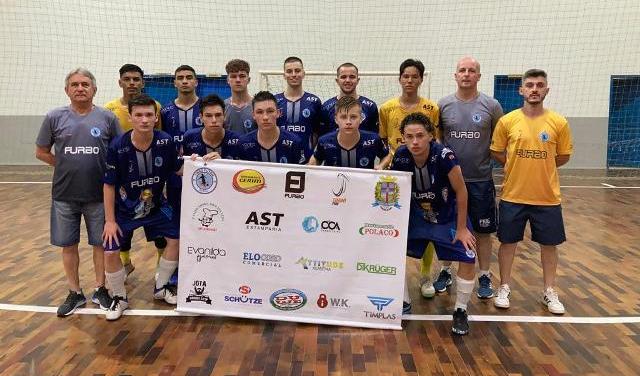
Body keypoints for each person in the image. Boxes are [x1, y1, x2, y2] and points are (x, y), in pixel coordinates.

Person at [35, 68, 120, 317]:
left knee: (100, 246)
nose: (80, 88)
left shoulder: (107, 118)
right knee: (68, 245)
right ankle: (74, 292)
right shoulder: (54, 117)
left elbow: (118, 152)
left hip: (98, 196)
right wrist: (62, 165)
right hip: (64, 195)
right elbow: (41, 151)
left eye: (85, 84)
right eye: (75, 85)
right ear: (67, 90)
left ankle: (100, 289)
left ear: (94, 89)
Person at [490, 69, 573, 315]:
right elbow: (496, 151)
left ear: (546, 90)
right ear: (521, 90)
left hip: (547, 198)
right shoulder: (507, 121)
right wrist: (513, 164)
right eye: (530, 85)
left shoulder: (559, 122)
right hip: (513, 195)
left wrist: (542, 165)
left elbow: (563, 156)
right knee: (507, 243)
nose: (534, 89)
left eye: (539, 85)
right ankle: (504, 287)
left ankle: (549, 291)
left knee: (549, 245)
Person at [391, 112, 477, 335]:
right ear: (402, 138)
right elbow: (395, 191)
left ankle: (460, 310)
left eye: (420, 135)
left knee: (468, 255)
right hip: (418, 216)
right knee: (392, 250)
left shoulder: (445, 156)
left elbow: (461, 191)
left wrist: (461, 228)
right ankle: (403, 302)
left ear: (431, 135)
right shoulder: (400, 156)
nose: (415, 141)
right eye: (409, 136)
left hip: (447, 216)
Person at [102, 95, 181, 320]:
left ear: (156, 117)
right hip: (124, 210)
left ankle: (161, 287)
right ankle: (119, 297)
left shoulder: (165, 141)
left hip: (156, 206)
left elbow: (179, 169)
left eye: (149, 115)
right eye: (139, 115)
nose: (144, 120)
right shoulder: (118, 146)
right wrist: (109, 221)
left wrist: (203, 162)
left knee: (176, 239)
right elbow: (108, 185)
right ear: (131, 117)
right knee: (110, 250)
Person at [434, 57, 504, 298]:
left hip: (481, 181)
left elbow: (499, 140)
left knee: (484, 232)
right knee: (448, 228)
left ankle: (484, 275)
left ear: (478, 76)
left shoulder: (492, 106)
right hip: (449, 182)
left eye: (471, 71)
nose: (466, 74)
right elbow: (438, 139)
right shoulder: (443, 105)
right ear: (455, 76)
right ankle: (445, 270)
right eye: (462, 70)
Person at [379, 59, 440, 297]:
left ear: (421, 79)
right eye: (406, 76)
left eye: (415, 76)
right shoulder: (386, 108)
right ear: (400, 78)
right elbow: (384, 143)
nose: (410, 80)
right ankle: (393, 276)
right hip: (396, 176)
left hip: (425, 174)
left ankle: (426, 277)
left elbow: (437, 141)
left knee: (427, 224)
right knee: (393, 226)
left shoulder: (432, 108)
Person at [105, 64, 165, 276]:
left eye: (136, 79)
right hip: (123, 177)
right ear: (119, 82)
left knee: (160, 224)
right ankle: (125, 262)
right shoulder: (109, 109)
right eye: (127, 79)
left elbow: (158, 139)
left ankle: (162, 270)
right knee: (124, 226)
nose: (132, 83)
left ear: (143, 82)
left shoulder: (155, 105)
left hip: (150, 178)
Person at [160, 65, 202, 228]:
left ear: (196, 82)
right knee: (176, 218)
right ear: (174, 83)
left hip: (202, 170)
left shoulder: (206, 108)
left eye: (189, 77)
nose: (185, 81)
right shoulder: (165, 111)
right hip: (175, 173)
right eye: (180, 78)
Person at [308, 95, 390, 170]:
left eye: (353, 117)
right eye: (343, 117)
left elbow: (386, 156)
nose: (348, 122)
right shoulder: (324, 141)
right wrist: (308, 169)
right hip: (333, 185)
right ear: (336, 119)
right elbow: (316, 159)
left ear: (361, 118)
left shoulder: (374, 140)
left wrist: (381, 166)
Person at [236, 91, 305, 164]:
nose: (265, 117)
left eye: (270, 111)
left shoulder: (295, 142)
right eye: (259, 112)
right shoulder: (243, 143)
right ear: (253, 115)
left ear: (278, 113)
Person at [275, 56, 322, 160]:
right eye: (289, 71)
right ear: (284, 75)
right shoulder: (274, 101)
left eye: (297, 71)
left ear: (303, 74)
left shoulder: (314, 101)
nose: (293, 75)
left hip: (307, 161)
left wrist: (313, 155)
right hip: (279, 160)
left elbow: (318, 133)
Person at [320, 62, 379, 135]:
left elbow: (375, 136)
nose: (347, 80)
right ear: (337, 81)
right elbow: (322, 137)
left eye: (352, 77)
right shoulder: (326, 107)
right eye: (343, 77)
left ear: (358, 80)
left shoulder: (370, 107)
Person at [182, 94, 240, 161]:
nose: (214, 120)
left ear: (225, 116)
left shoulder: (237, 140)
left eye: (218, 115)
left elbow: (244, 169)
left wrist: (222, 163)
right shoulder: (190, 137)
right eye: (208, 116)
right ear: (201, 118)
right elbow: (181, 169)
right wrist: (191, 163)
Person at [224, 59, 256, 135]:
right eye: (233, 76)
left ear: (248, 80)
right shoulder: (222, 106)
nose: (238, 80)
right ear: (228, 80)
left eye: (242, 76)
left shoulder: (257, 105)